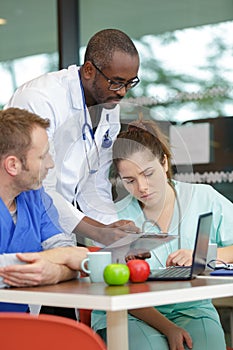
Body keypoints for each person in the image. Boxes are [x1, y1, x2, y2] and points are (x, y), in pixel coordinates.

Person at [92, 119, 233, 350]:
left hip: (192, 307)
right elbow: (114, 289)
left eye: (148, 173)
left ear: (164, 163)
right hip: (130, 311)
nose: (142, 187)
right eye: (130, 181)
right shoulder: (114, 218)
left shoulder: (204, 197)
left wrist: (205, 254)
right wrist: (168, 327)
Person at [5, 28, 140, 246]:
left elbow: (94, 184)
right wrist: (98, 232)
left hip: (58, 230)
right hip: (24, 223)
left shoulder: (108, 104)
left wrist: (117, 237)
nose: (122, 92)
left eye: (130, 83)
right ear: (88, 70)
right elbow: (40, 187)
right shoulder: (40, 99)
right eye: (116, 82)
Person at [0, 107, 88, 312]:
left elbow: (72, 254)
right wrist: (58, 258)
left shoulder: (34, 197)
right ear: (13, 165)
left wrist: (57, 272)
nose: (50, 164)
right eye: (42, 156)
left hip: (19, 328)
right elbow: (66, 255)